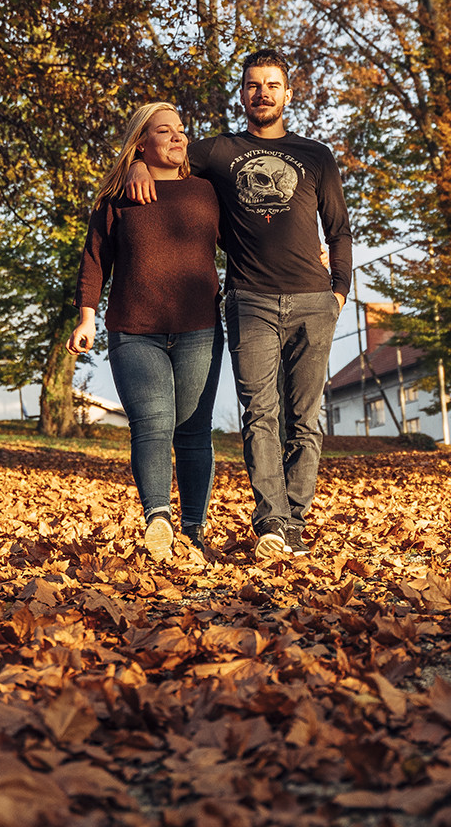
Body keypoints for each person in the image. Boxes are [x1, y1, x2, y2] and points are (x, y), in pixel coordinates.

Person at [127, 49, 352, 560]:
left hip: (314, 300)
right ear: (243, 93)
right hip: (249, 300)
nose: (262, 93)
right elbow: (166, 152)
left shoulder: (316, 155)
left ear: (288, 94)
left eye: (272, 85)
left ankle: (294, 522)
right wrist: (138, 163)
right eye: (253, 85)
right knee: (260, 414)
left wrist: (339, 291)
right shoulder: (220, 152)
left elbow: (338, 229)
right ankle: (271, 523)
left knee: (305, 420)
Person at [72, 102, 224, 564]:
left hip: (199, 329)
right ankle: (159, 520)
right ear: (141, 143)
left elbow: (246, 242)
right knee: (153, 424)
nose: (179, 137)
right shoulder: (117, 199)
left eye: (181, 130)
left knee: (193, 431)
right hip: (135, 331)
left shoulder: (205, 192)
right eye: (165, 131)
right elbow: (95, 259)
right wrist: (86, 317)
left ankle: (193, 531)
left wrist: (310, 255)